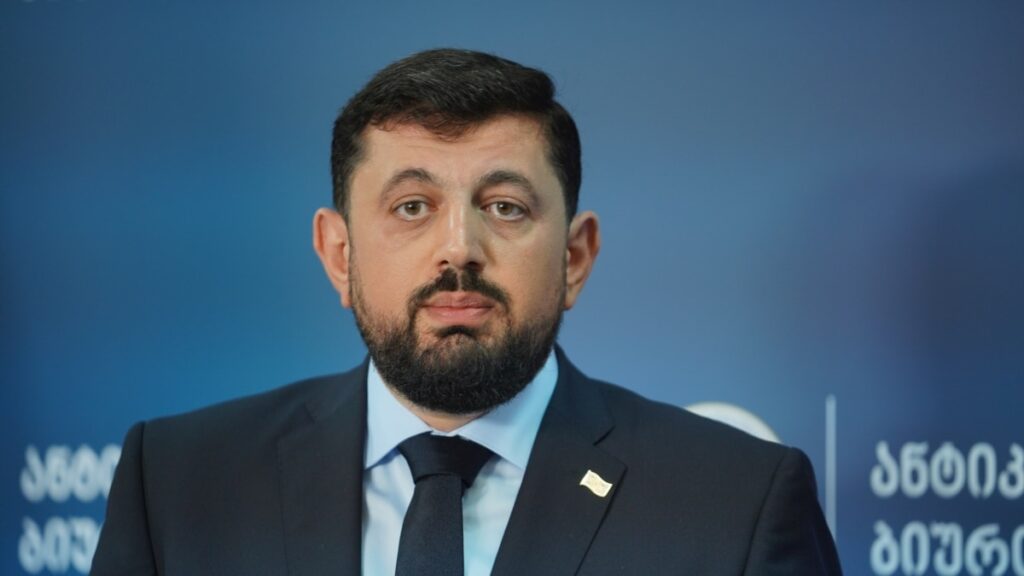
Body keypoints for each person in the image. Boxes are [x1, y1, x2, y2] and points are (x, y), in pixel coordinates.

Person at [91, 48, 842, 575]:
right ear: (339, 254)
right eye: (412, 206)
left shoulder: (736, 502)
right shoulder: (181, 485)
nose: (459, 249)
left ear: (575, 256)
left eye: (505, 207)